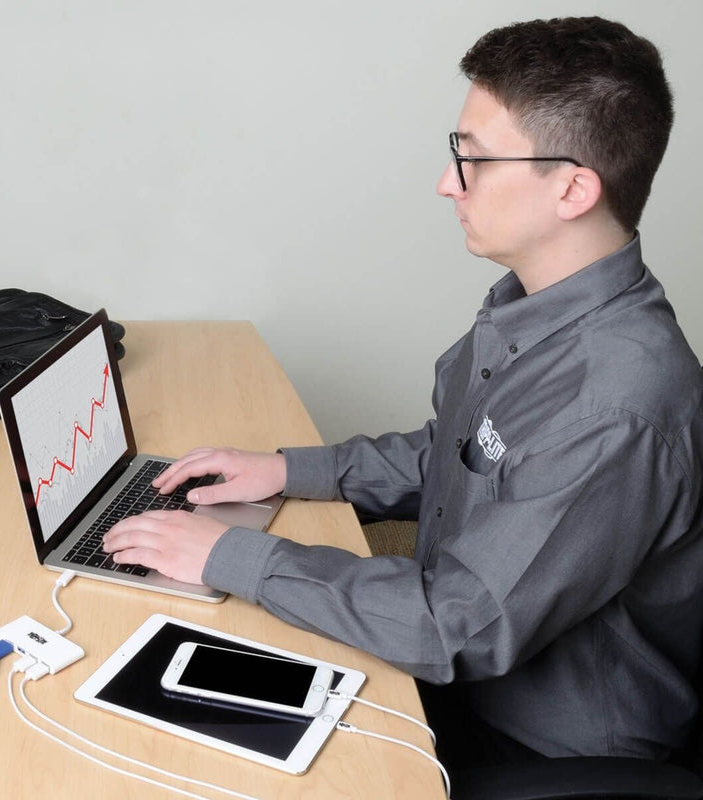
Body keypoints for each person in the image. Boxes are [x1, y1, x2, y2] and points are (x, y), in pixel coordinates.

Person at [103, 16, 703, 772]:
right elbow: (465, 455)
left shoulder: (614, 404)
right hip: (447, 659)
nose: (447, 182)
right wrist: (293, 471)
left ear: (575, 188)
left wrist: (237, 556)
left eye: (475, 160)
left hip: (541, 745)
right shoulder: (539, 307)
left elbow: (459, 626)